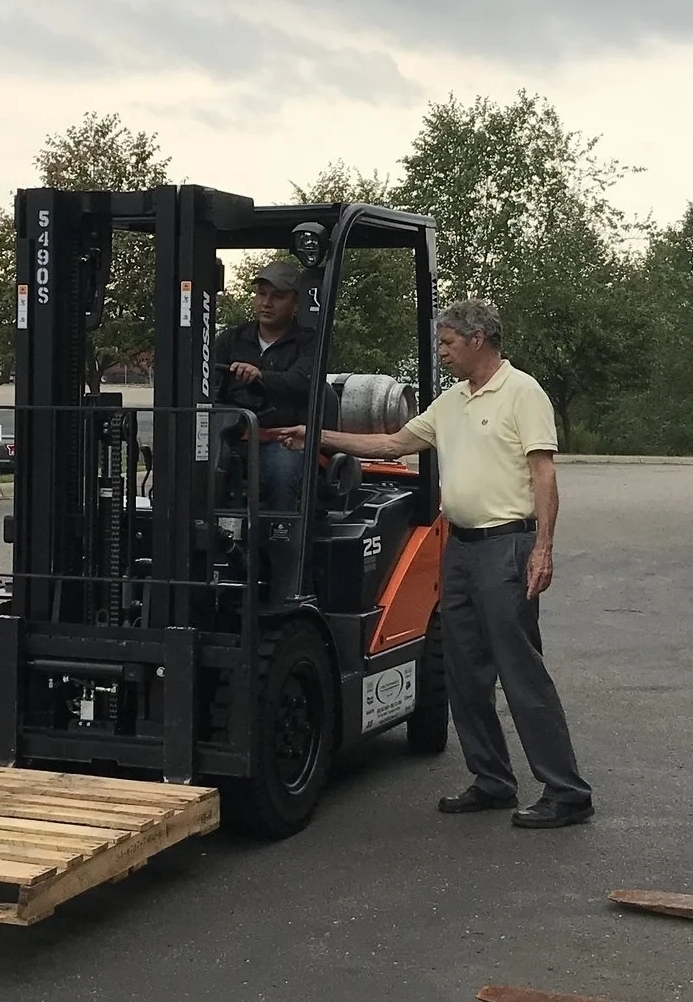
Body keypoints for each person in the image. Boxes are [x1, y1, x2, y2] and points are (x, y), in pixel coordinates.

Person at [276, 298, 594, 829]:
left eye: (447, 342)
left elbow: (543, 474)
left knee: (520, 672)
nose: (441, 352)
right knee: (464, 672)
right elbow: (393, 442)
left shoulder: (522, 392)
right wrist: (316, 437)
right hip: (461, 547)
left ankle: (567, 791)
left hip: (506, 546)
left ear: (478, 340)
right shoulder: (451, 401)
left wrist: (544, 548)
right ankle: (491, 779)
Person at [214, 259, 317, 511]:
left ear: (295, 303)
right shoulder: (231, 339)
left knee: (282, 472)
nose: (266, 303)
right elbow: (206, 382)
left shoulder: (309, 342)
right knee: (192, 465)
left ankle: (281, 544)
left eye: (277, 297)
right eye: (261, 294)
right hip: (231, 436)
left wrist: (260, 376)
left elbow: (303, 383)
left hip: (283, 440)